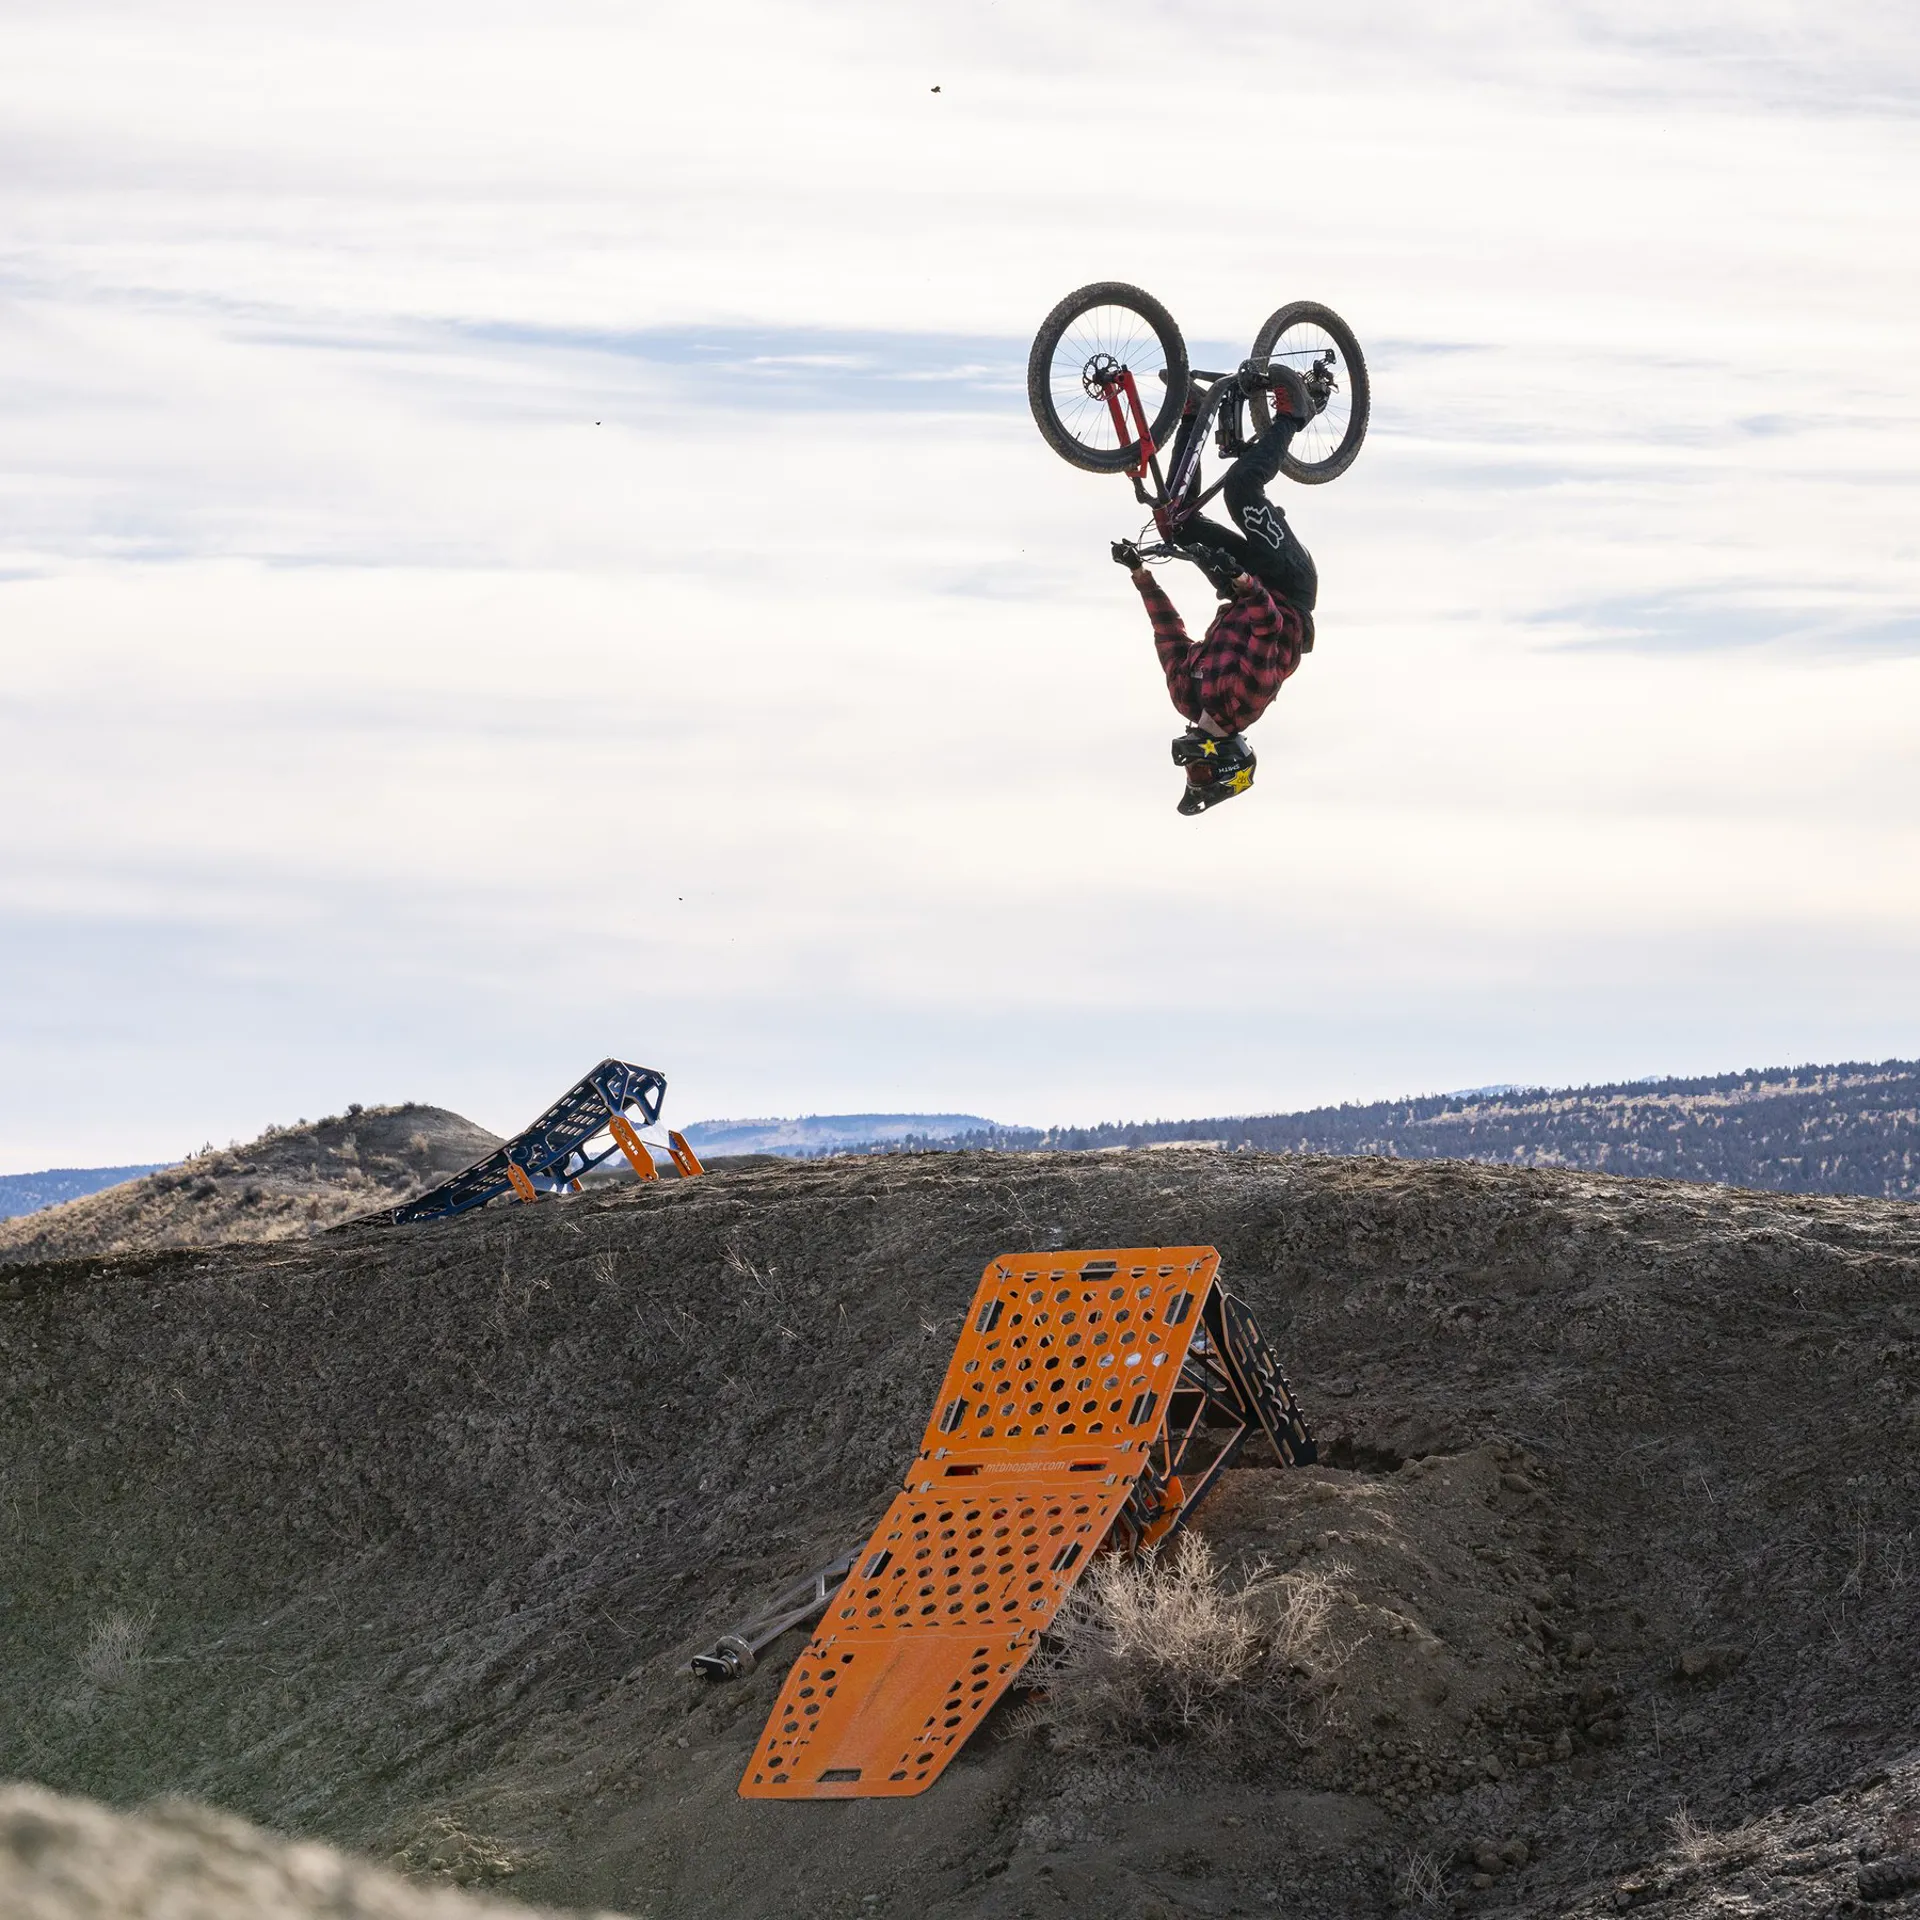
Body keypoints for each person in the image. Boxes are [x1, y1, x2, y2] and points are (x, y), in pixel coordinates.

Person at [1114, 364, 1319, 816]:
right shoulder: (1245, 702)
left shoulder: (1186, 695)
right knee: (1241, 491)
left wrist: (1140, 574)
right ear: (1226, 764)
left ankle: (1192, 411)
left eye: (1191, 773)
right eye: (1201, 773)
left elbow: (1167, 634)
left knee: (1177, 525)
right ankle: (1294, 416)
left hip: (1240, 584)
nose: (1191, 766)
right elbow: (1270, 628)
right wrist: (1245, 583)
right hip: (1286, 586)